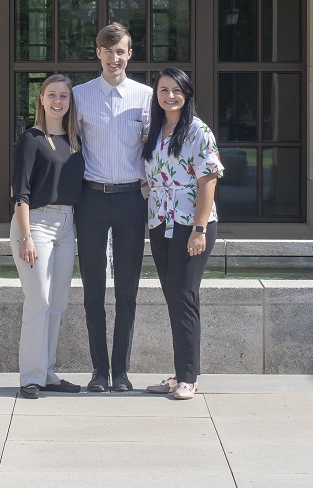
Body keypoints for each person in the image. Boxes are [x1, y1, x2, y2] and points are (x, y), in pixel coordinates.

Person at [73, 22, 153, 393]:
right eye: (108, 51)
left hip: (130, 201)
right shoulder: (79, 96)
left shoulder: (147, 97)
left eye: (121, 51)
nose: (115, 58)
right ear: (98, 53)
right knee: (92, 290)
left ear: (129, 53)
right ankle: (97, 371)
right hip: (91, 199)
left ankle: (120, 371)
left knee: (126, 291)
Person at [142, 67, 224, 400]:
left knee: (185, 296)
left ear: (186, 94)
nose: (170, 96)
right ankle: (179, 374)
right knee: (173, 297)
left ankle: (189, 377)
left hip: (192, 224)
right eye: (163, 90)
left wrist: (199, 229)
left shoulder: (198, 131)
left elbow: (209, 182)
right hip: (161, 222)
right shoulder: (154, 130)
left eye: (177, 90)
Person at [10, 74, 85, 400]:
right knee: (38, 300)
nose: (58, 101)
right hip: (35, 225)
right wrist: (25, 237)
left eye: (64, 96)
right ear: (40, 99)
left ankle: (48, 372)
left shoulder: (76, 141)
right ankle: (30, 377)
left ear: (70, 102)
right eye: (51, 95)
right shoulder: (30, 139)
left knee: (56, 304)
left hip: (66, 226)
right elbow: (20, 193)